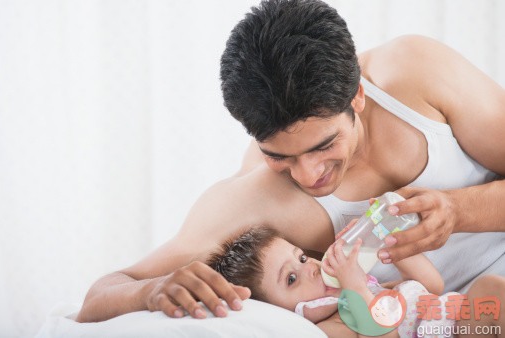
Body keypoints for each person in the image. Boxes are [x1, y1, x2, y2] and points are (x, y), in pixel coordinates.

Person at [76, 0, 505, 323]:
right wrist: (150, 291)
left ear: (357, 94)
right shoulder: (251, 201)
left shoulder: (416, 74)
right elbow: (102, 295)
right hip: (435, 321)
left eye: (324, 145)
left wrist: (459, 210)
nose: (308, 175)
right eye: (278, 155)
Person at [208, 226, 505, 337]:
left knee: (490, 289)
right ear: (279, 311)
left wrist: (390, 243)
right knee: (488, 291)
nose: (310, 268)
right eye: (291, 278)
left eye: (301, 258)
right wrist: (355, 287)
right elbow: (381, 333)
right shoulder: (333, 326)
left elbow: (432, 286)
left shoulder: (370, 289)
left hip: (462, 318)